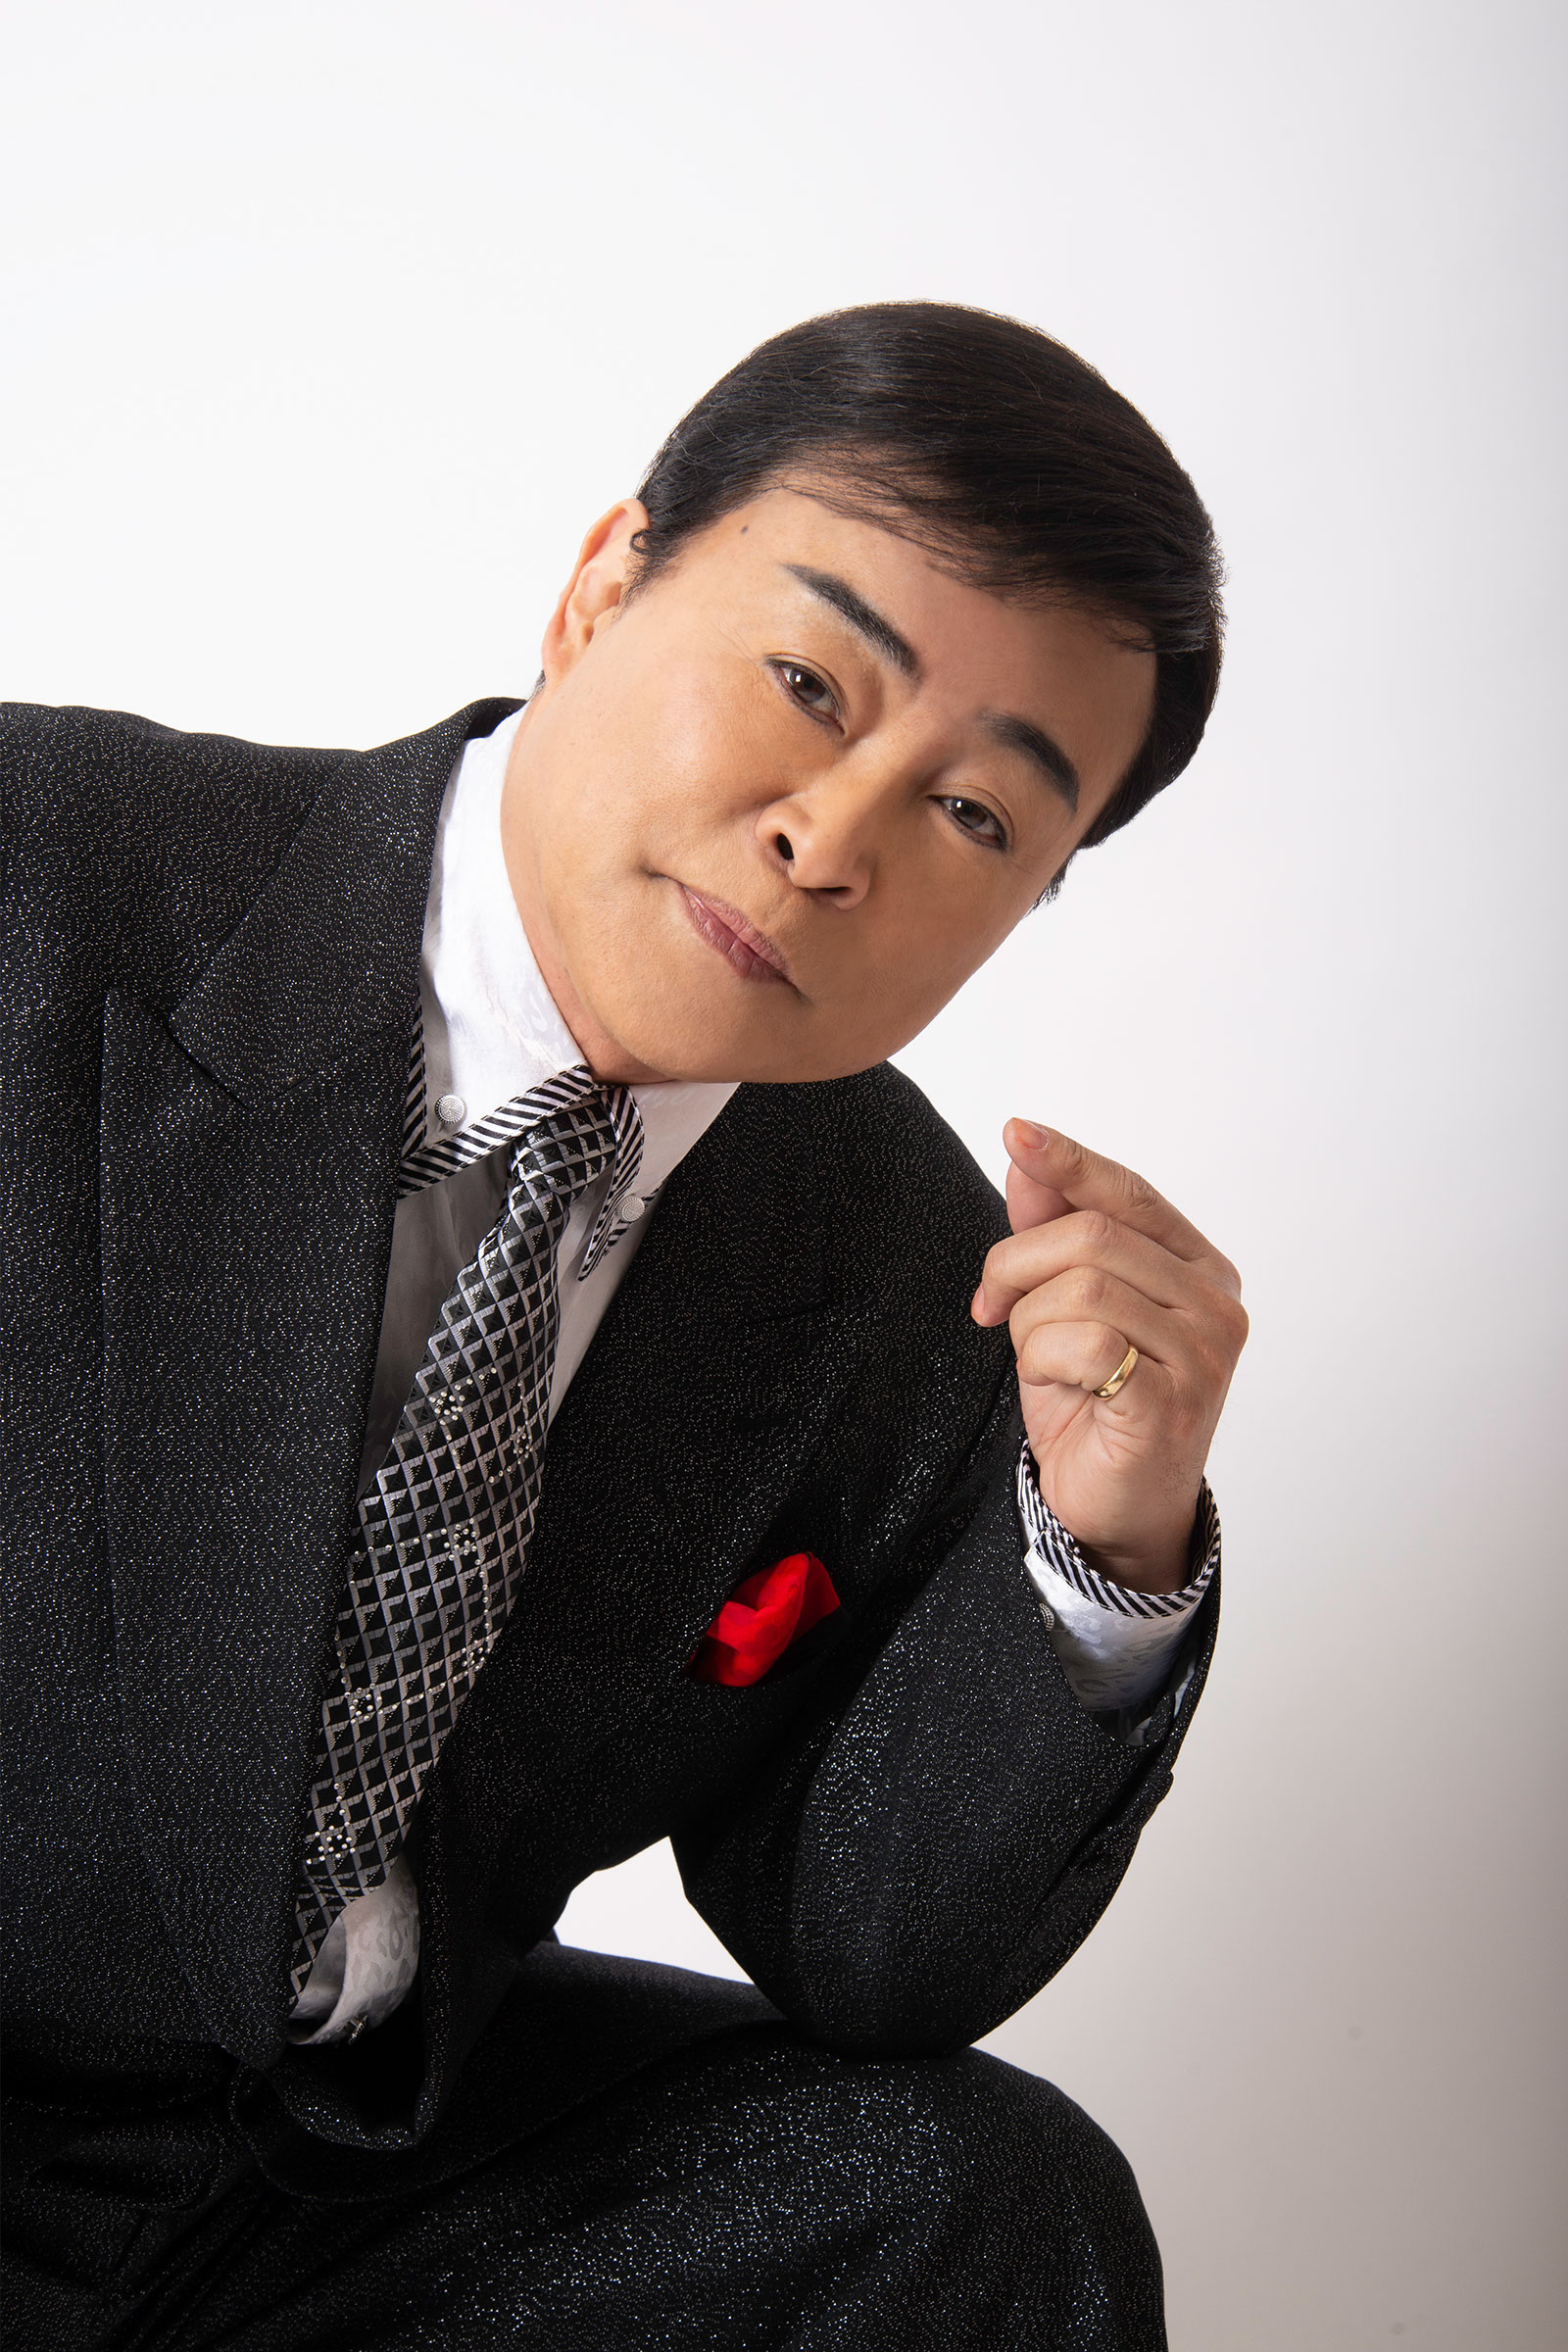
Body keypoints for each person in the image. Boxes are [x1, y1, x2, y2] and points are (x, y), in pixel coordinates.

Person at [2, 302, 1247, 2348]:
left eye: (976, 817)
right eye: (805, 682)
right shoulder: (46, 874)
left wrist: (1100, 1547)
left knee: (976, 2205)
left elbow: (872, 1960)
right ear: (603, 586)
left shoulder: (905, 1265)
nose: (831, 840)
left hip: (309, 2168)